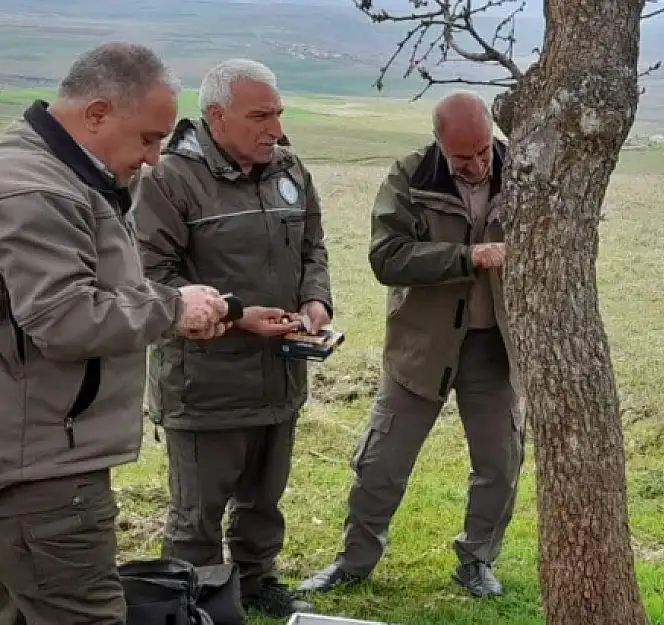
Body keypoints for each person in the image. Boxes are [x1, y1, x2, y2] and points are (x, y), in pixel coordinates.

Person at [0, 43, 233, 625]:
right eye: (149, 139)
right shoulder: (42, 190)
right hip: (43, 470)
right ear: (97, 114)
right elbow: (63, 316)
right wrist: (172, 309)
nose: (155, 159)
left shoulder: (57, 173)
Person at [298, 90, 524, 599]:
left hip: (495, 345)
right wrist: (469, 257)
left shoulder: (520, 169)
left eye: (484, 150)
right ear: (439, 141)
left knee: (500, 462)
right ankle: (353, 563)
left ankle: (477, 561)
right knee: (382, 461)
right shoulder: (410, 176)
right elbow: (387, 258)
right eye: (462, 157)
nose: (477, 164)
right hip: (422, 344)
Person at [132, 58, 332, 618]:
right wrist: (238, 314)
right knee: (197, 514)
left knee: (263, 499)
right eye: (260, 116)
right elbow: (149, 281)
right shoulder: (169, 180)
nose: (275, 128)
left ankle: (257, 578)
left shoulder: (288, 168)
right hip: (205, 385)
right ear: (216, 117)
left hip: (279, 376)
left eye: (278, 113)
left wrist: (316, 301)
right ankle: (192, 600)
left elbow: (314, 246)